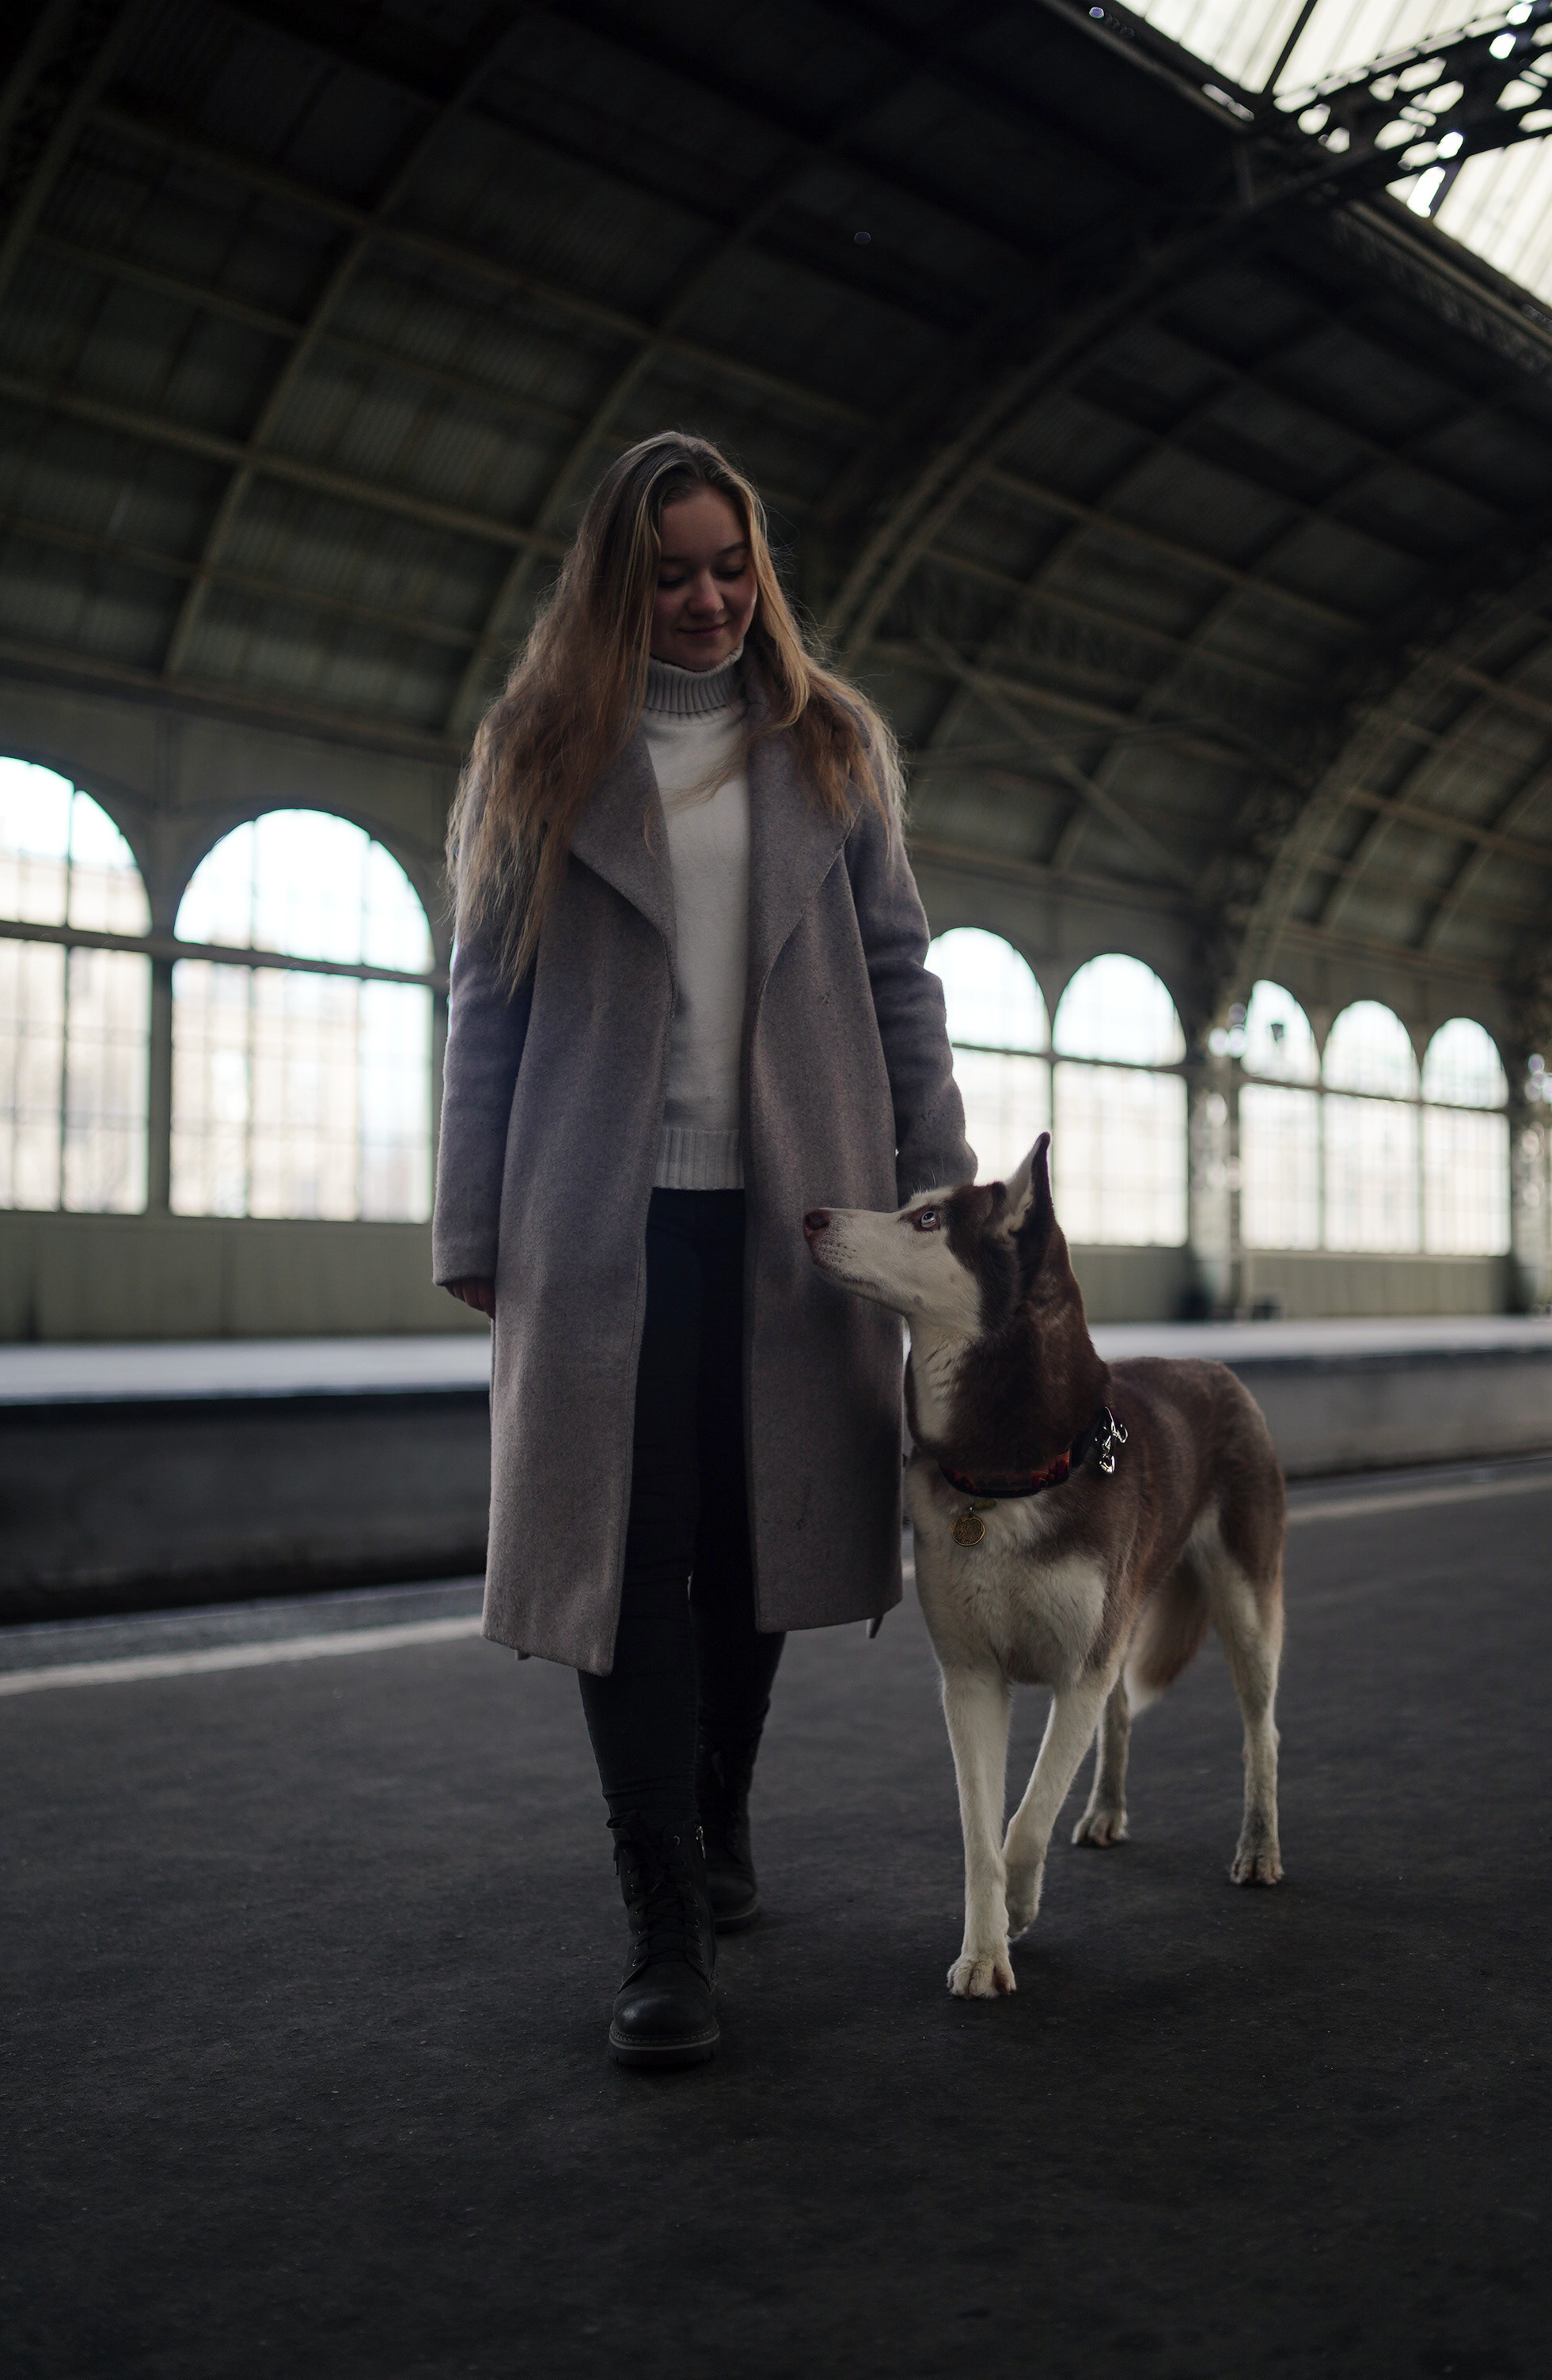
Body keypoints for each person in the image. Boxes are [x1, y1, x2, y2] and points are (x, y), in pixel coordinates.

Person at [434, 431, 970, 2068]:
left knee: (762, 1544)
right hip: (601, 1215)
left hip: (798, 1214)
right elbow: (486, 1002)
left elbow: (904, 985)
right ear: (617, 578)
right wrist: (475, 1220)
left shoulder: (829, 749)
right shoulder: (542, 748)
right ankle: (662, 1914)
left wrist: (933, 1195)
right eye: (670, 571)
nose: (708, 598)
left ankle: (724, 1812)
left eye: (730, 565)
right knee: (628, 1554)